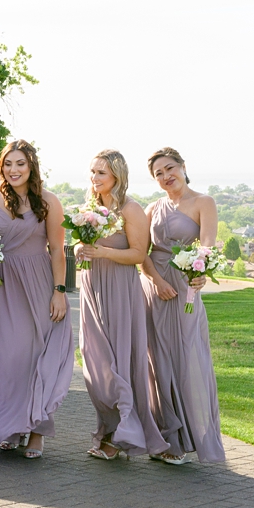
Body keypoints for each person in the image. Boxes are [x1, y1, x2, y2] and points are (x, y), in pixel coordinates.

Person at [74, 149, 173, 461]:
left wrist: (102, 252)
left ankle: (121, 435)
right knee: (95, 362)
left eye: (101, 173)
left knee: (118, 362)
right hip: (92, 289)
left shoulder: (130, 209)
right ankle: (110, 427)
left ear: (117, 176)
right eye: (92, 172)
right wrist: (80, 248)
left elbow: (138, 254)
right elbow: (81, 241)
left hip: (119, 289)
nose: (95, 178)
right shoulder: (89, 207)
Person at [0, 138, 73, 457]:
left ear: (31, 166)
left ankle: (36, 431)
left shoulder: (49, 201)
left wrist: (59, 292)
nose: (13, 169)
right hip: (3, 287)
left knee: (35, 358)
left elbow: (58, 252)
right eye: (8, 164)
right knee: (8, 359)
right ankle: (9, 427)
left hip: (38, 283)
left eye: (20, 163)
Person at [141, 147, 227, 464]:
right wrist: (156, 281)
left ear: (183, 166)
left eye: (170, 168)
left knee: (189, 358)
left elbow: (207, 245)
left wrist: (200, 273)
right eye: (158, 174)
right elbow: (143, 253)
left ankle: (193, 436)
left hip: (186, 288)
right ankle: (168, 439)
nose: (166, 176)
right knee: (158, 361)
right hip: (156, 289)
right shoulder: (152, 208)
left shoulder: (204, 202)